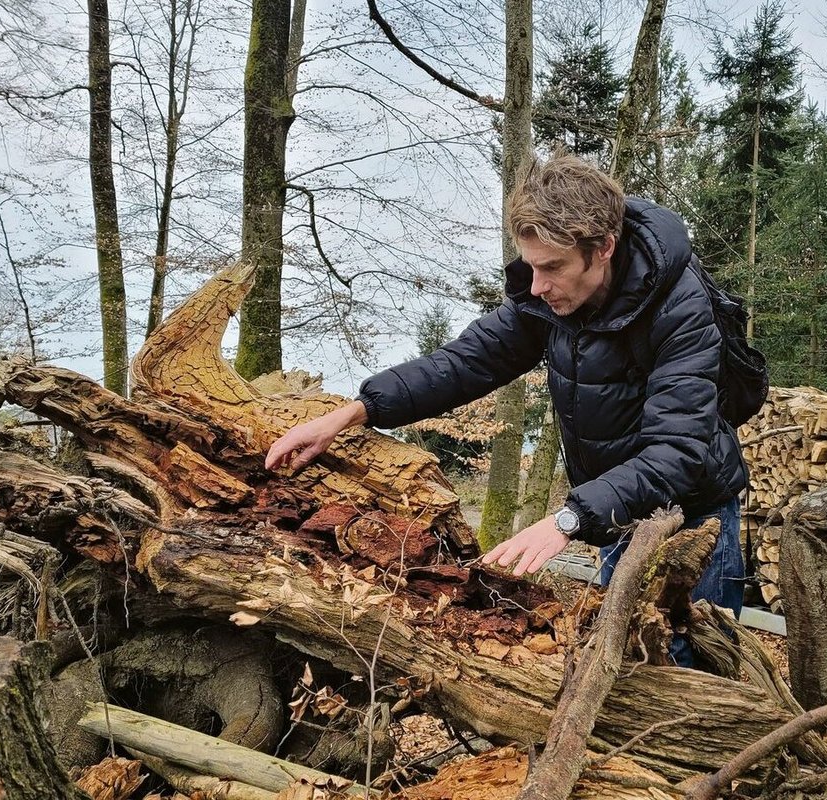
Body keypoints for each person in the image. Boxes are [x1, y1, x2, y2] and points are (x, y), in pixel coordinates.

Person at [265, 154, 748, 666]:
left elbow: (677, 450)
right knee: (624, 667)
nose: (537, 286)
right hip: (617, 516)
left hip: (694, 522)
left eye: (552, 267)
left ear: (603, 248)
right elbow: (463, 363)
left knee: (694, 678)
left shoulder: (680, 308)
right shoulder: (548, 298)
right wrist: (351, 412)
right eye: (531, 265)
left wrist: (569, 517)